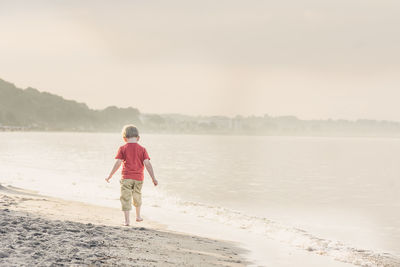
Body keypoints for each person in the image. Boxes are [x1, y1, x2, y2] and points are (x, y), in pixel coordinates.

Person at [105, 125, 158, 226]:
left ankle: (127, 221)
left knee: (126, 198)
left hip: (126, 178)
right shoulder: (142, 149)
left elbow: (118, 163)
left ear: (124, 138)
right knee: (137, 195)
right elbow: (148, 164)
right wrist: (153, 178)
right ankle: (138, 216)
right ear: (138, 138)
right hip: (139, 178)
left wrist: (110, 175)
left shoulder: (122, 148)